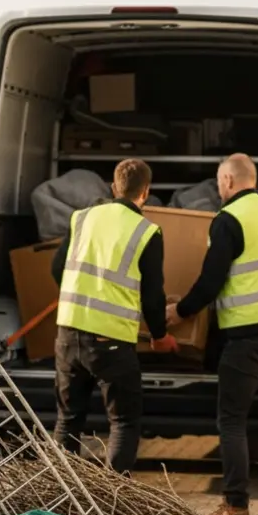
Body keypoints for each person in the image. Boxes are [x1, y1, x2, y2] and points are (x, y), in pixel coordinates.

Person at [166, 153, 258, 515]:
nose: (218, 189)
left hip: (247, 336)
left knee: (231, 421)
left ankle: (236, 507)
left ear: (228, 180)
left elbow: (212, 279)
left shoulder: (228, 219)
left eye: (219, 183)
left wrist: (181, 311)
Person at [51, 158, 179, 474]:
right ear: (145, 192)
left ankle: (60, 494)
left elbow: (57, 269)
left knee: (68, 419)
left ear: (113, 187)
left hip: (68, 333)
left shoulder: (82, 218)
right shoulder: (147, 232)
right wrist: (160, 336)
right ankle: (114, 497)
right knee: (123, 420)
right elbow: (153, 295)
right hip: (111, 341)